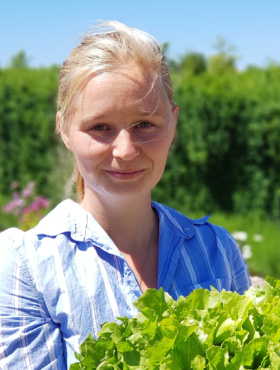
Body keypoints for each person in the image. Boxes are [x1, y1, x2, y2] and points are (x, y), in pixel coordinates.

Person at [0, 21, 251, 369]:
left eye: (144, 124)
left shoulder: (217, 251)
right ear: (64, 130)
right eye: (99, 127)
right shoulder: (26, 269)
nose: (126, 150)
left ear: (173, 123)